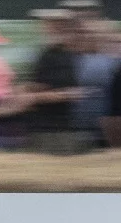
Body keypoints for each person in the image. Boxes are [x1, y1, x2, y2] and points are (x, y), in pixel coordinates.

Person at [24, 10, 84, 154]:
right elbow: (34, 90)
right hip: (46, 129)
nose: (57, 29)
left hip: (60, 128)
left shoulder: (67, 55)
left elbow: (73, 92)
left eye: (61, 25)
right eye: (52, 25)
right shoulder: (44, 55)